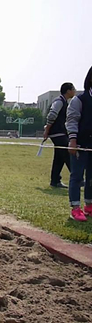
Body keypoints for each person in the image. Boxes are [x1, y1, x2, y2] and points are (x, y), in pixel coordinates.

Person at [66, 67, 92, 222]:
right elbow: (72, 120)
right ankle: (76, 208)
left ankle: (89, 205)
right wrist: (73, 140)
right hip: (81, 143)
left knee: (91, 177)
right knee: (77, 176)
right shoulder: (80, 100)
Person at [43, 82, 76, 188]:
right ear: (68, 91)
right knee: (68, 154)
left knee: (59, 157)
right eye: (73, 89)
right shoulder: (59, 101)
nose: (74, 91)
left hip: (60, 132)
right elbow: (52, 115)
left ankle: (55, 181)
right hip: (57, 133)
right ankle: (78, 178)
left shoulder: (64, 101)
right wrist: (47, 130)